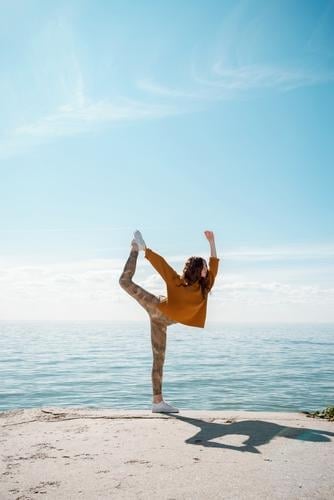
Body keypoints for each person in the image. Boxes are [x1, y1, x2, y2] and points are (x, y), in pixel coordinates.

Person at [119, 230, 220, 413]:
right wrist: (145, 251)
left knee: (159, 360)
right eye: (203, 267)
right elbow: (162, 265)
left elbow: (214, 262)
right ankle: (135, 248)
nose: (207, 269)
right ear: (196, 270)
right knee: (124, 281)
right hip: (156, 306)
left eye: (206, 267)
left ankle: (158, 403)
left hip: (161, 323)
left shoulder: (205, 286)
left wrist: (211, 242)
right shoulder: (177, 283)